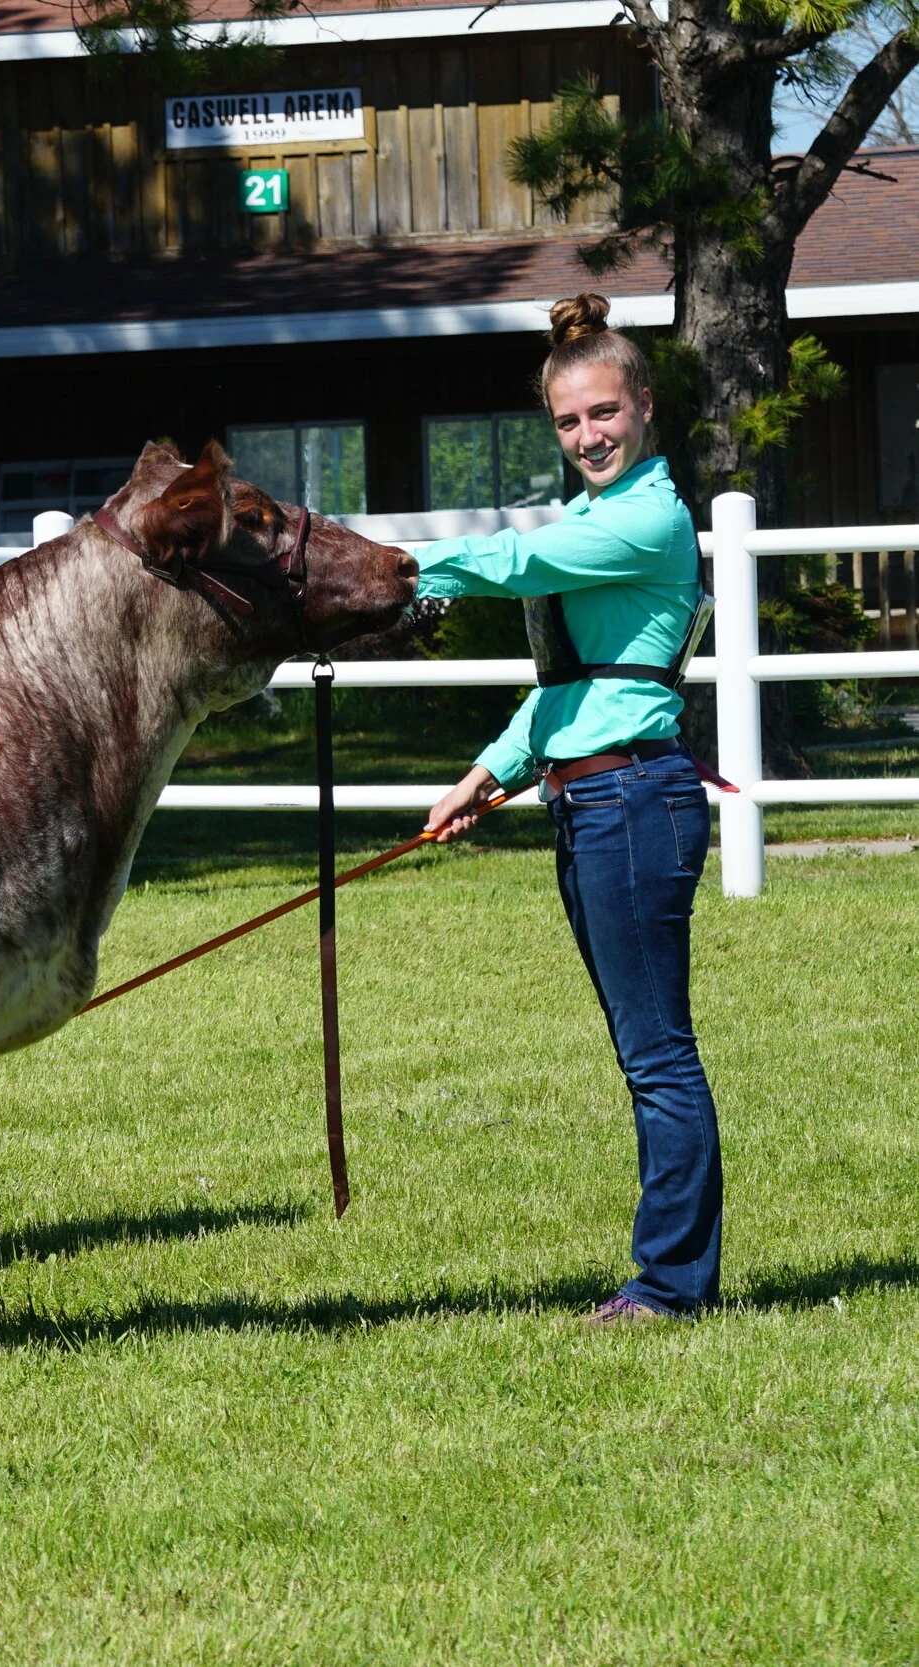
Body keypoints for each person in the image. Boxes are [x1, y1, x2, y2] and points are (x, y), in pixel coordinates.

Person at [418, 292, 722, 1328]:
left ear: (644, 406)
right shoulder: (591, 518)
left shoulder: (648, 518)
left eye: (603, 412)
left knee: (658, 1054)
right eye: (567, 421)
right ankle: (670, 1276)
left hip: (633, 802)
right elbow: (572, 685)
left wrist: (394, 569)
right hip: (593, 799)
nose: (588, 435)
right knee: (644, 1050)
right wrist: (486, 773)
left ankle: (670, 1285)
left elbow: (514, 565)